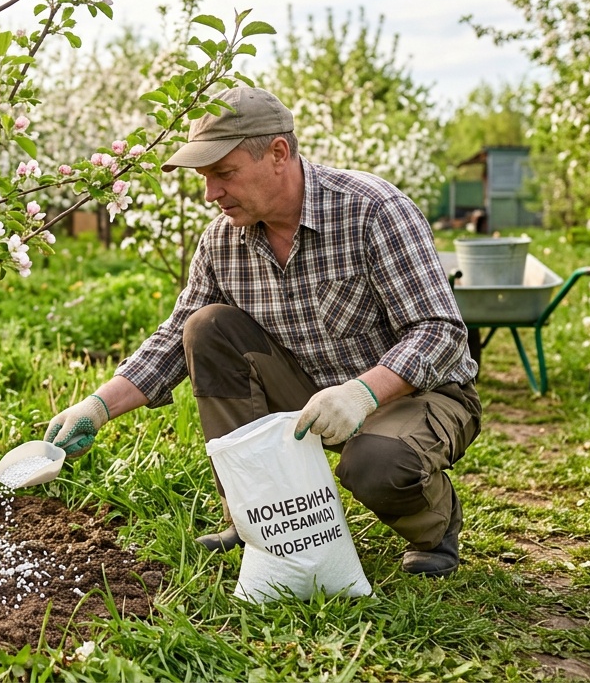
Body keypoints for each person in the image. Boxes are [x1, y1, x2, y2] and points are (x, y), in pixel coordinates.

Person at [44, 86, 480, 577]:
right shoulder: (222, 241)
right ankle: (256, 516)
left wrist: (362, 394)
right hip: (308, 392)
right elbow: (172, 338)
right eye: (205, 179)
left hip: (415, 395)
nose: (211, 194)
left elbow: (440, 331)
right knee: (207, 327)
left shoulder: (372, 210)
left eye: (224, 174)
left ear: (278, 153)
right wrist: (98, 406)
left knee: (376, 464)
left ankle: (433, 526)